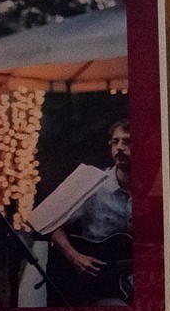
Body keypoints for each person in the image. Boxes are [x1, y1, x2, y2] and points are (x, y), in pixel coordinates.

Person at [49, 118, 132, 299]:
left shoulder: (155, 190)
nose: (119, 147)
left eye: (127, 141)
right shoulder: (92, 186)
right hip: (92, 286)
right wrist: (75, 257)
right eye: (115, 142)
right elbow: (52, 224)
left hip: (129, 283)